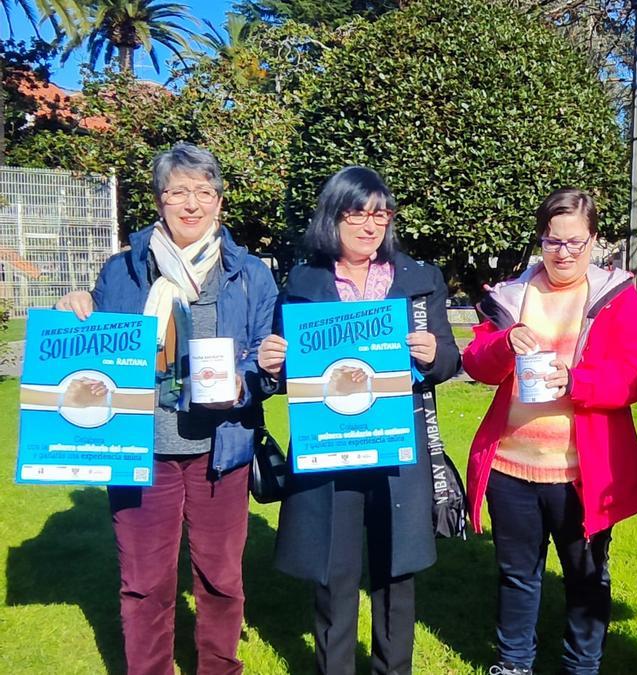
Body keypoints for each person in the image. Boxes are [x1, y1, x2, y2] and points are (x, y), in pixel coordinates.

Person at [55, 142, 278, 675]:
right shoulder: (121, 273)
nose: (192, 204)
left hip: (221, 449)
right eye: (179, 191)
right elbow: (97, 354)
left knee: (221, 578)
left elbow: (267, 364)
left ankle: (219, 667)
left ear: (220, 202)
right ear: (160, 200)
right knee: (145, 580)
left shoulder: (251, 274)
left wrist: (256, 377)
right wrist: (75, 310)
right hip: (139, 449)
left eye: (204, 192)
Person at [260, 166, 460, 675]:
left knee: (397, 572)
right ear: (334, 216)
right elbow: (288, 377)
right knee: (334, 573)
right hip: (330, 447)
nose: (371, 226)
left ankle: (393, 670)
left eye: (380, 214)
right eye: (357, 214)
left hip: (397, 446)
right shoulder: (303, 283)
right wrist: (275, 362)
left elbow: (448, 360)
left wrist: (436, 351)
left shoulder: (419, 279)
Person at [463, 188, 637, 675]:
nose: (563, 253)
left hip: (581, 471)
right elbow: (477, 363)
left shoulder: (616, 297)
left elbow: (636, 376)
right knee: (516, 576)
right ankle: (513, 663)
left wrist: (577, 381)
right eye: (552, 242)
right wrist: (505, 343)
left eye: (574, 242)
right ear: (541, 240)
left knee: (586, 577)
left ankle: (581, 666)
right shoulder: (512, 294)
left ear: (594, 240)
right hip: (512, 466)